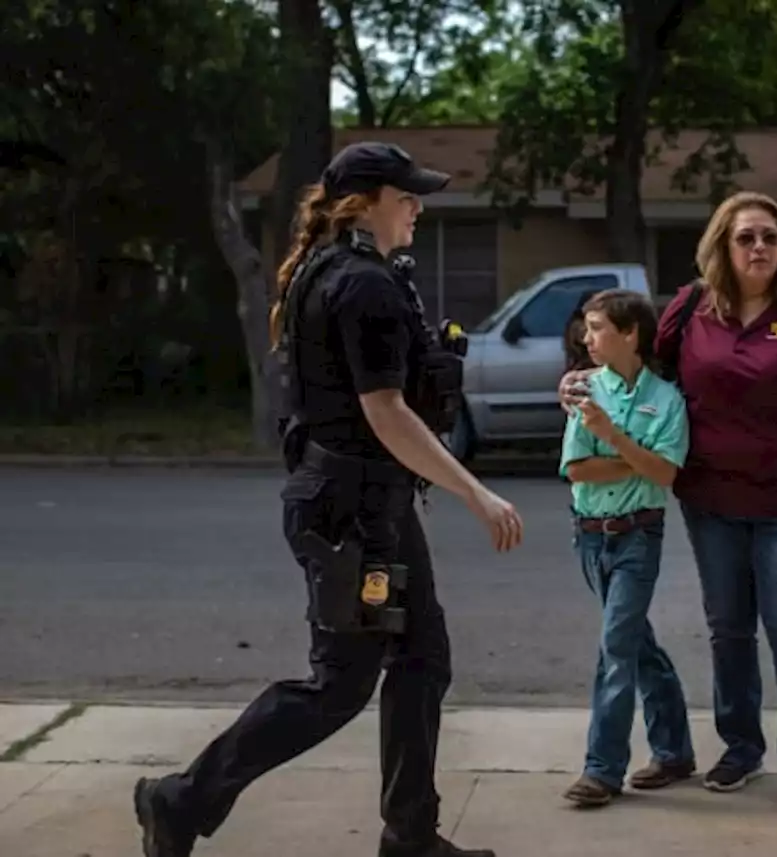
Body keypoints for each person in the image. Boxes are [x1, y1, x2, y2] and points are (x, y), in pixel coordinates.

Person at [132, 141, 524, 857]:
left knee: (421, 658)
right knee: (341, 683)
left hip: (371, 504)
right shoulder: (361, 284)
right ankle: (180, 798)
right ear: (365, 201)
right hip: (353, 512)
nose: (417, 206)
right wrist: (474, 491)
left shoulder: (342, 270)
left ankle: (410, 834)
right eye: (406, 195)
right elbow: (386, 411)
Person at [559, 191, 777, 805]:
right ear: (723, 247)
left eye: (771, 238)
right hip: (711, 499)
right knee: (728, 631)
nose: (759, 247)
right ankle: (741, 749)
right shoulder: (693, 307)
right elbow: (645, 366)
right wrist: (584, 375)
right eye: (746, 237)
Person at [558, 288, 695, 807]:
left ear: (630, 333)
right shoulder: (584, 390)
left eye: (596, 328)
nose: (586, 338)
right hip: (591, 536)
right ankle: (675, 751)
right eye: (586, 328)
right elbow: (576, 469)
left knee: (617, 646)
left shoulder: (665, 399)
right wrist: (639, 457)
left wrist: (614, 438)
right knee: (637, 646)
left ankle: (602, 770)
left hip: (639, 533)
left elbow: (666, 473)